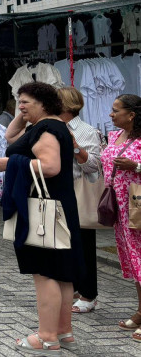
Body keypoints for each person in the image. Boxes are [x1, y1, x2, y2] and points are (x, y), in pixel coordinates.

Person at [0, 82, 82, 351]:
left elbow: (51, 166)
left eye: (26, 102)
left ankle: (46, 336)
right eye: (18, 101)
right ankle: (63, 332)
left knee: (45, 273)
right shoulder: (48, 125)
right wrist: (24, 112)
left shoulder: (47, 128)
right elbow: (11, 138)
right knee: (62, 273)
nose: (20, 107)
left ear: (43, 104)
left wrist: (11, 164)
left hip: (44, 210)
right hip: (59, 206)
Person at [58, 86, 103, 314]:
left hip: (77, 189)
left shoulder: (87, 131)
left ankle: (89, 294)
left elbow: (94, 166)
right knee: (62, 243)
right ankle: (72, 286)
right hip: (55, 190)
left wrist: (76, 147)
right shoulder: (49, 127)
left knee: (83, 243)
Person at [101, 94, 141, 338]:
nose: (111, 114)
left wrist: (135, 166)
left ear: (132, 114)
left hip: (138, 205)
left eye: (116, 110)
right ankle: (140, 310)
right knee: (135, 262)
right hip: (121, 207)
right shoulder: (114, 136)